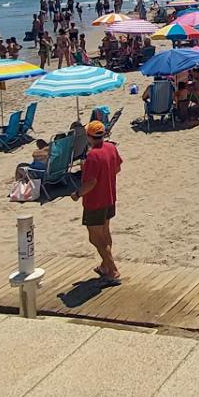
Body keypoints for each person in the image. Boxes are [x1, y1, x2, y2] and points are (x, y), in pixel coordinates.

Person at [72, 121, 121, 282]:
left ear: (89, 137)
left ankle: (112, 269)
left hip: (95, 202)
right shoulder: (111, 148)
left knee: (95, 238)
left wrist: (78, 194)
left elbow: (91, 183)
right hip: (109, 197)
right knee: (105, 232)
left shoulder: (92, 156)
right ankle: (105, 265)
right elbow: (117, 168)